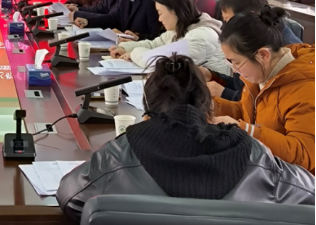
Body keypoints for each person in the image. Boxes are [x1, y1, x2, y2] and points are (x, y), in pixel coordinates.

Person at [56, 54, 315, 223]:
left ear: (148, 109)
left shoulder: (119, 153)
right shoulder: (253, 154)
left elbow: (69, 196)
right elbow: (309, 193)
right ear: (208, 106)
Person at [214, 6, 315, 174]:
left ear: (263, 55)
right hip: (265, 168)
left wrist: (247, 131)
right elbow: (247, 112)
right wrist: (212, 106)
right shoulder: (262, 73)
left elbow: (304, 155)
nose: (235, 70)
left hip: (295, 183)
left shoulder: (305, 88)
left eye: (236, 62)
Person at [200, 0, 302, 101]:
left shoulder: (279, 52)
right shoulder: (253, 40)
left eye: (229, 20)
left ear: (249, 16)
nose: (226, 27)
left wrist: (225, 93)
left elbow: (262, 100)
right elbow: (243, 85)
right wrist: (213, 76)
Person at [110, 0, 231, 75]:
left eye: (160, 13)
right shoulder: (179, 29)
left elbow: (163, 64)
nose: (159, 19)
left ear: (175, 11)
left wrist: (133, 53)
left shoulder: (201, 36)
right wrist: (124, 48)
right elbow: (154, 45)